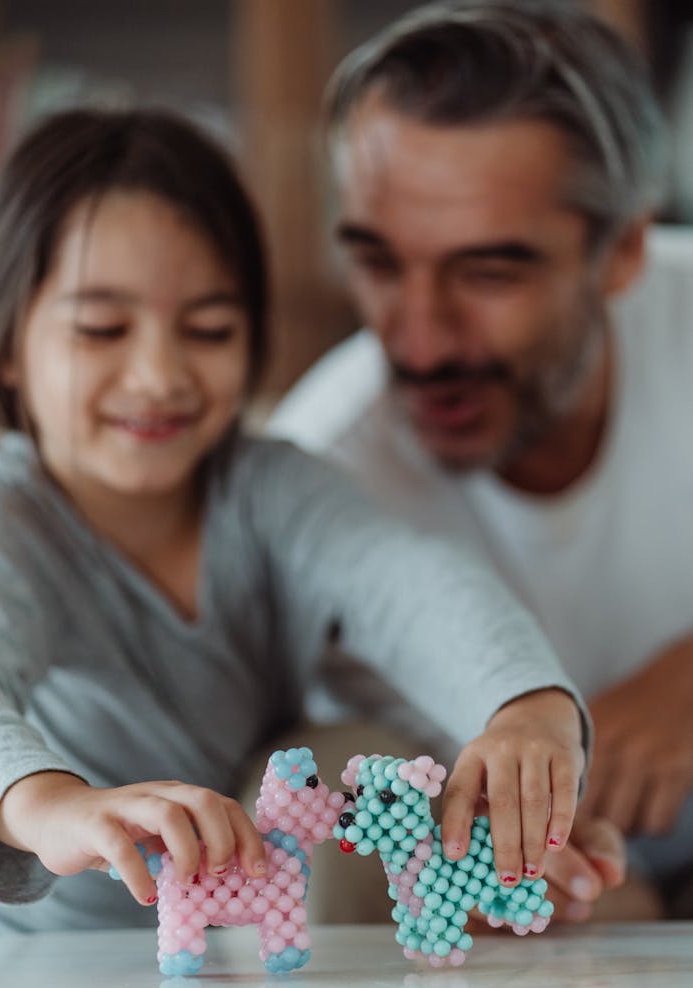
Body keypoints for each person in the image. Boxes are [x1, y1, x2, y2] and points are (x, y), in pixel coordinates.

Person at [0, 108, 589, 933]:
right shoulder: (12, 517)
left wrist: (525, 705)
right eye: (102, 328)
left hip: (257, 943)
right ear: (9, 350)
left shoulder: (269, 489)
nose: (159, 373)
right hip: (62, 964)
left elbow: (407, 581)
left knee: (349, 749)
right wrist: (46, 803)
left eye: (209, 329)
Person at [269, 0, 692, 919]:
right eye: (378, 262)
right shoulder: (316, 473)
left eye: (488, 273)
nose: (419, 342)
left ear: (621, 251)